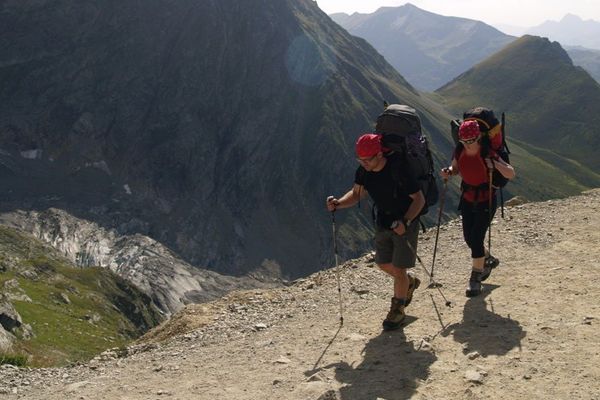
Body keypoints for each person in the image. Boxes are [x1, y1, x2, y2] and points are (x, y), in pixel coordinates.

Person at [326, 133, 425, 331]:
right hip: (384, 221)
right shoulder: (364, 171)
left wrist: (405, 221)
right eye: (360, 160)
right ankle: (408, 283)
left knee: (399, 269)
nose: (363, 163)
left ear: (380, 154)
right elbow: (356, 195)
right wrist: (338, 203)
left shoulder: (399, 169)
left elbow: (419, 199)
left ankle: (397, 311)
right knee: (382, 263)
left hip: (405, 222)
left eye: (367, 159)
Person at [440, 120, 515, 297]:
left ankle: (475, 279)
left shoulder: (487, 153)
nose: (467, 145)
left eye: (470, 141)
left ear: (478, 137)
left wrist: (495, 164)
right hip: (467, 198)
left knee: (476, 237)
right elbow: (456, 168)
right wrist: (449, 171)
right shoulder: (459, 150)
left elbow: (511, 173)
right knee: (469, 238)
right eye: (464, 142)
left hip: (486, 200)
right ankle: (487, 259)